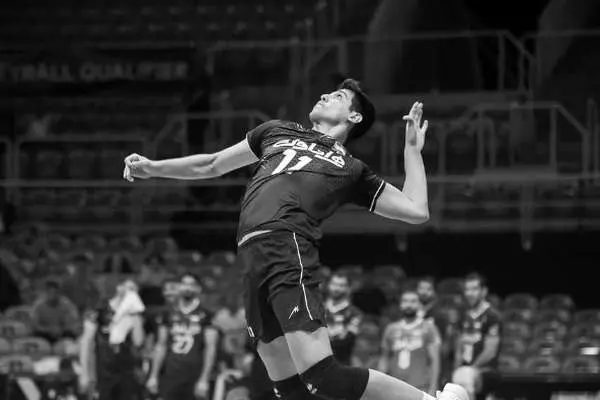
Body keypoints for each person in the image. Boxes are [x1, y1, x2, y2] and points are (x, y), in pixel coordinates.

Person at [123, 79, 468, 400]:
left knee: (324, 376)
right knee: (289, 389)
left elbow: (416, 209)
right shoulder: (276, 130)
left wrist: (412, 151)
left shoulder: (351, 168)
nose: (324, 95)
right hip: (251, 255)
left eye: (338, 96)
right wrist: (153, 167)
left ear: (354, 116)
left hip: (287, 248)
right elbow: (211, 164)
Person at [146, 273, 219, 400]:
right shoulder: (166, 314)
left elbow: (210, 348)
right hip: (170, 374)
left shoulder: (207, 315)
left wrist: (204, 379)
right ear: (178, 287)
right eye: (184, 284)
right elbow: (161, 345)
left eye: (191, 284)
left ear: (198, 289)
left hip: (195, 375)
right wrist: (153, 375)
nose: (187, 287)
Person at [79, 279, 145, 400]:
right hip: (102, 372)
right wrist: (85, 373)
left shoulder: (134, 315)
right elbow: (86, 343)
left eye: (135, 291)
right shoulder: (98, 311)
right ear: (119, 288)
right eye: (130, 289)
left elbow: (138, 341)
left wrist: (135, 315)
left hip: (126, 372)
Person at [379, 290, 441, 396]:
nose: (409, 305)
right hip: (394, 388)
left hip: (421, 388)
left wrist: (433, 387)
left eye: (413, 301)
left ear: (419, 305)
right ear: (400, 305)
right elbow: (384, 358)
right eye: (405, 301)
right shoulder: (391, 329)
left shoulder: (429, 328)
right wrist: (380, 385)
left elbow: (434, 361)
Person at [452, 274, 501, 400]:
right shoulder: (463, 314)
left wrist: (471, 369)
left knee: (466, 377)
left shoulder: (492, 316)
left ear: (484, 291)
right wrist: (457, 368)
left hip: (486, 370)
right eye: (467, 289)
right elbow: (459, 346)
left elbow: (490, 351)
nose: (469, 293)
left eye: (474, 289)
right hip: (464, 368)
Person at [324, 272, 362, 365]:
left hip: (342, 363)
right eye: (334, 284)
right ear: (328, 285)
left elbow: (345, 339)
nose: (336, 288)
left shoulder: (355, 313)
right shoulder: (316, 308)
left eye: (341, 285)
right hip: (316, 363)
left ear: (349, 288)